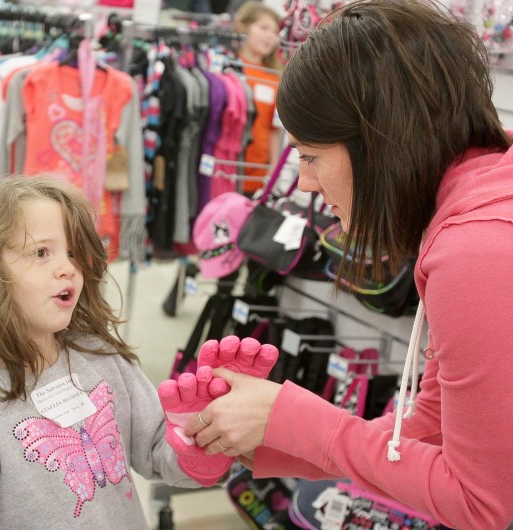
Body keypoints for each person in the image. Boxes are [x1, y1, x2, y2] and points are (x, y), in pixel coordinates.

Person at [182, 1, 513, 528]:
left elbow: (482, 502)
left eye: (310, 156)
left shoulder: (476, 252)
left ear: (380, 142)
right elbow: (428, 427)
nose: (306, 185)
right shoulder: (473, 206)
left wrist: (297, 420)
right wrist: (268, 435)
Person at [0, 175, 277, 529]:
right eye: (41, 252)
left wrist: (205, 433)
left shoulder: (101, 359)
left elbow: (159, 450)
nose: (68, 267)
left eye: (71, 252)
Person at [233, 1, 283, 194]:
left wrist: (273, 171)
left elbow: (274, 130)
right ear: (243, 27)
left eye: (275, 32)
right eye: (264, 28)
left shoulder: (275, 79)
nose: (270, 36)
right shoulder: (227, 67)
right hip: (226, 167)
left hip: (256, 174)